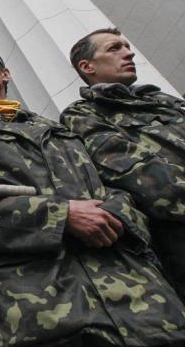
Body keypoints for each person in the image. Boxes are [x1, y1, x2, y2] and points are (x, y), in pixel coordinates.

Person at [0, 45, 185, 346]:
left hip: (138, 296)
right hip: (45, 307)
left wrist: (112, 215)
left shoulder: (58, 128)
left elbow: (119, 187)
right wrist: (62, 216)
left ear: (6, 74)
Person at [61, 27, 185, 300]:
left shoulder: (168, 103)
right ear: (87, 66)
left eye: (127, 46)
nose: (129, 53)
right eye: (114, 48)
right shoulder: (85, 114)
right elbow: (137, 173)